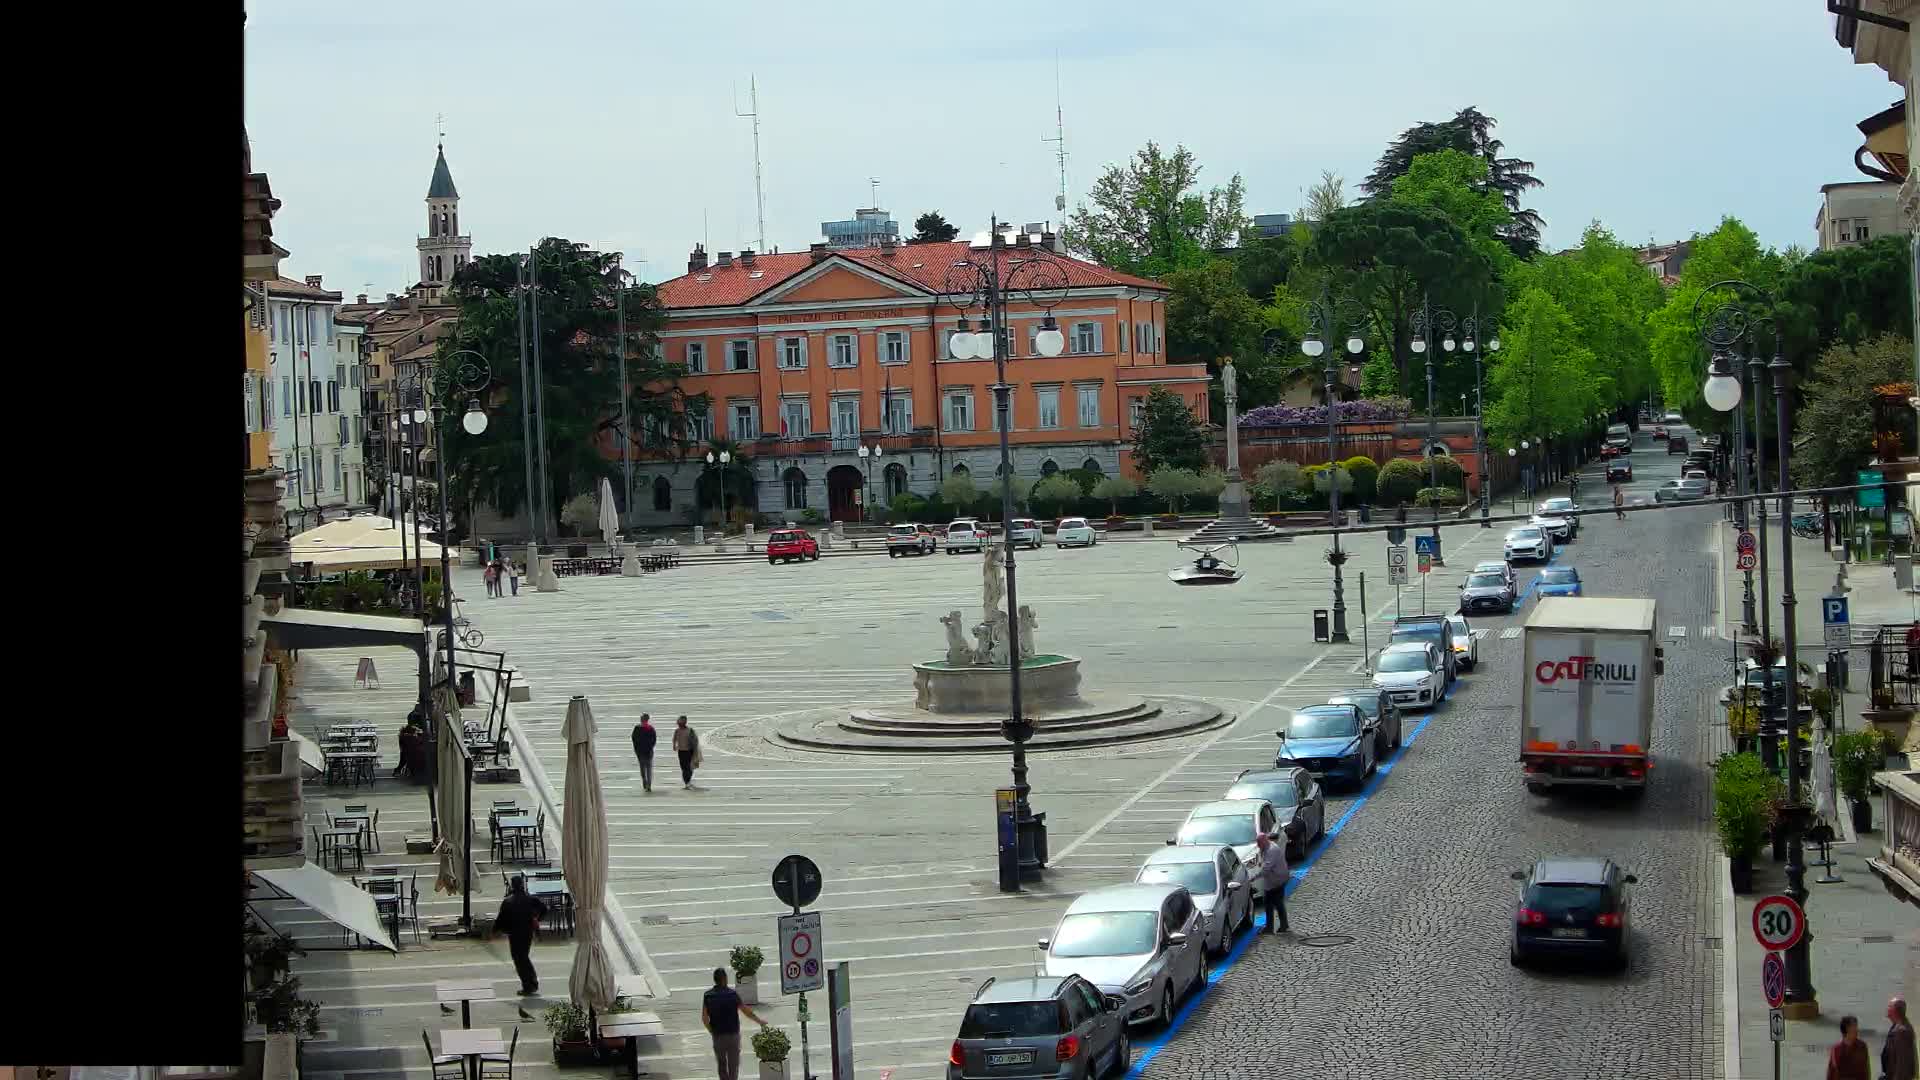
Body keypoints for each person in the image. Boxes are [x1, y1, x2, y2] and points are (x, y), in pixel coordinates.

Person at [701, 967, 766, 1080]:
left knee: (721, 1065)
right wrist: (759, 1021)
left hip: (718, 1035)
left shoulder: (708, 996)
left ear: (715, 980)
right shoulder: (732, 994)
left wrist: (711, 1031)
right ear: (725, 979)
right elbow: (746, 1011)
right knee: (733, 1065)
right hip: (733, 1035)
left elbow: (704, 1018)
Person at [490, 875, 548, 996]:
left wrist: (494, 931)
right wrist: (536, 918)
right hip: (527, 932)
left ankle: (529, 985)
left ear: (512, 886)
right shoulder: (530, 899)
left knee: (519, 959)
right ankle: (531, 983)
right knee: (524, 957)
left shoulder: (508, 902)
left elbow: (501, 919)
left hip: (514, 934)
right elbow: (544, 909)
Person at [1253, 832, 1290, 935]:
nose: (1258, 846)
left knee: (1276, 903)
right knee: (1270, 903)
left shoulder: (1272, 850)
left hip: (1277, 880)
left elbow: (1266, 869)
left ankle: (1280, 926)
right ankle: (1275, 927)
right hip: (1272, 881)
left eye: (1259, 843)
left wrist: (1254, 877)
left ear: (1264, 841)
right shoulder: (1266, 847)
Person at [1828, 1014, 1871, 1080]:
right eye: (1854, 1027)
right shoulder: (1836, 1049)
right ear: (1846, 1029)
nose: (1856, 1030)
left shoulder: (1862, 1046)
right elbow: (1831, 1072)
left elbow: (1866, 1069)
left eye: (1856, 1026)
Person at [1887, 997, 1917, 1080]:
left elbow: (1902, 1062)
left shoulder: (1901, 1031)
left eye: (1889, 1006)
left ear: (1895, 1011)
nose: (1887, 1009)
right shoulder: (1897, 1027)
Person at [673, 715, 701, 789]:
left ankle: (687, 781)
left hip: (689, 751)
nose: (678, 724)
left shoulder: (690, 730)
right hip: (681, 751)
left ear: (684, 722)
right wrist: (674, 745)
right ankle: (687, 782)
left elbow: (695, 741)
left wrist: (695, 750)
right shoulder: (677, 730)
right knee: (683, 767)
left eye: (680, 722)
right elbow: (674, 738)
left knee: (689, 767)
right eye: (678, 722)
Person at [632, 713, 657, 793]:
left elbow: (634, 739)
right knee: (647, 768)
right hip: (647, 752)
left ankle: (646, 783)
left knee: (643, 768)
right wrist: (650, 747)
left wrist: (636, 749)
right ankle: (647, 784)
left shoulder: (638, 728)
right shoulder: (649, 728)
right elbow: (654, 740)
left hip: (642, 752)